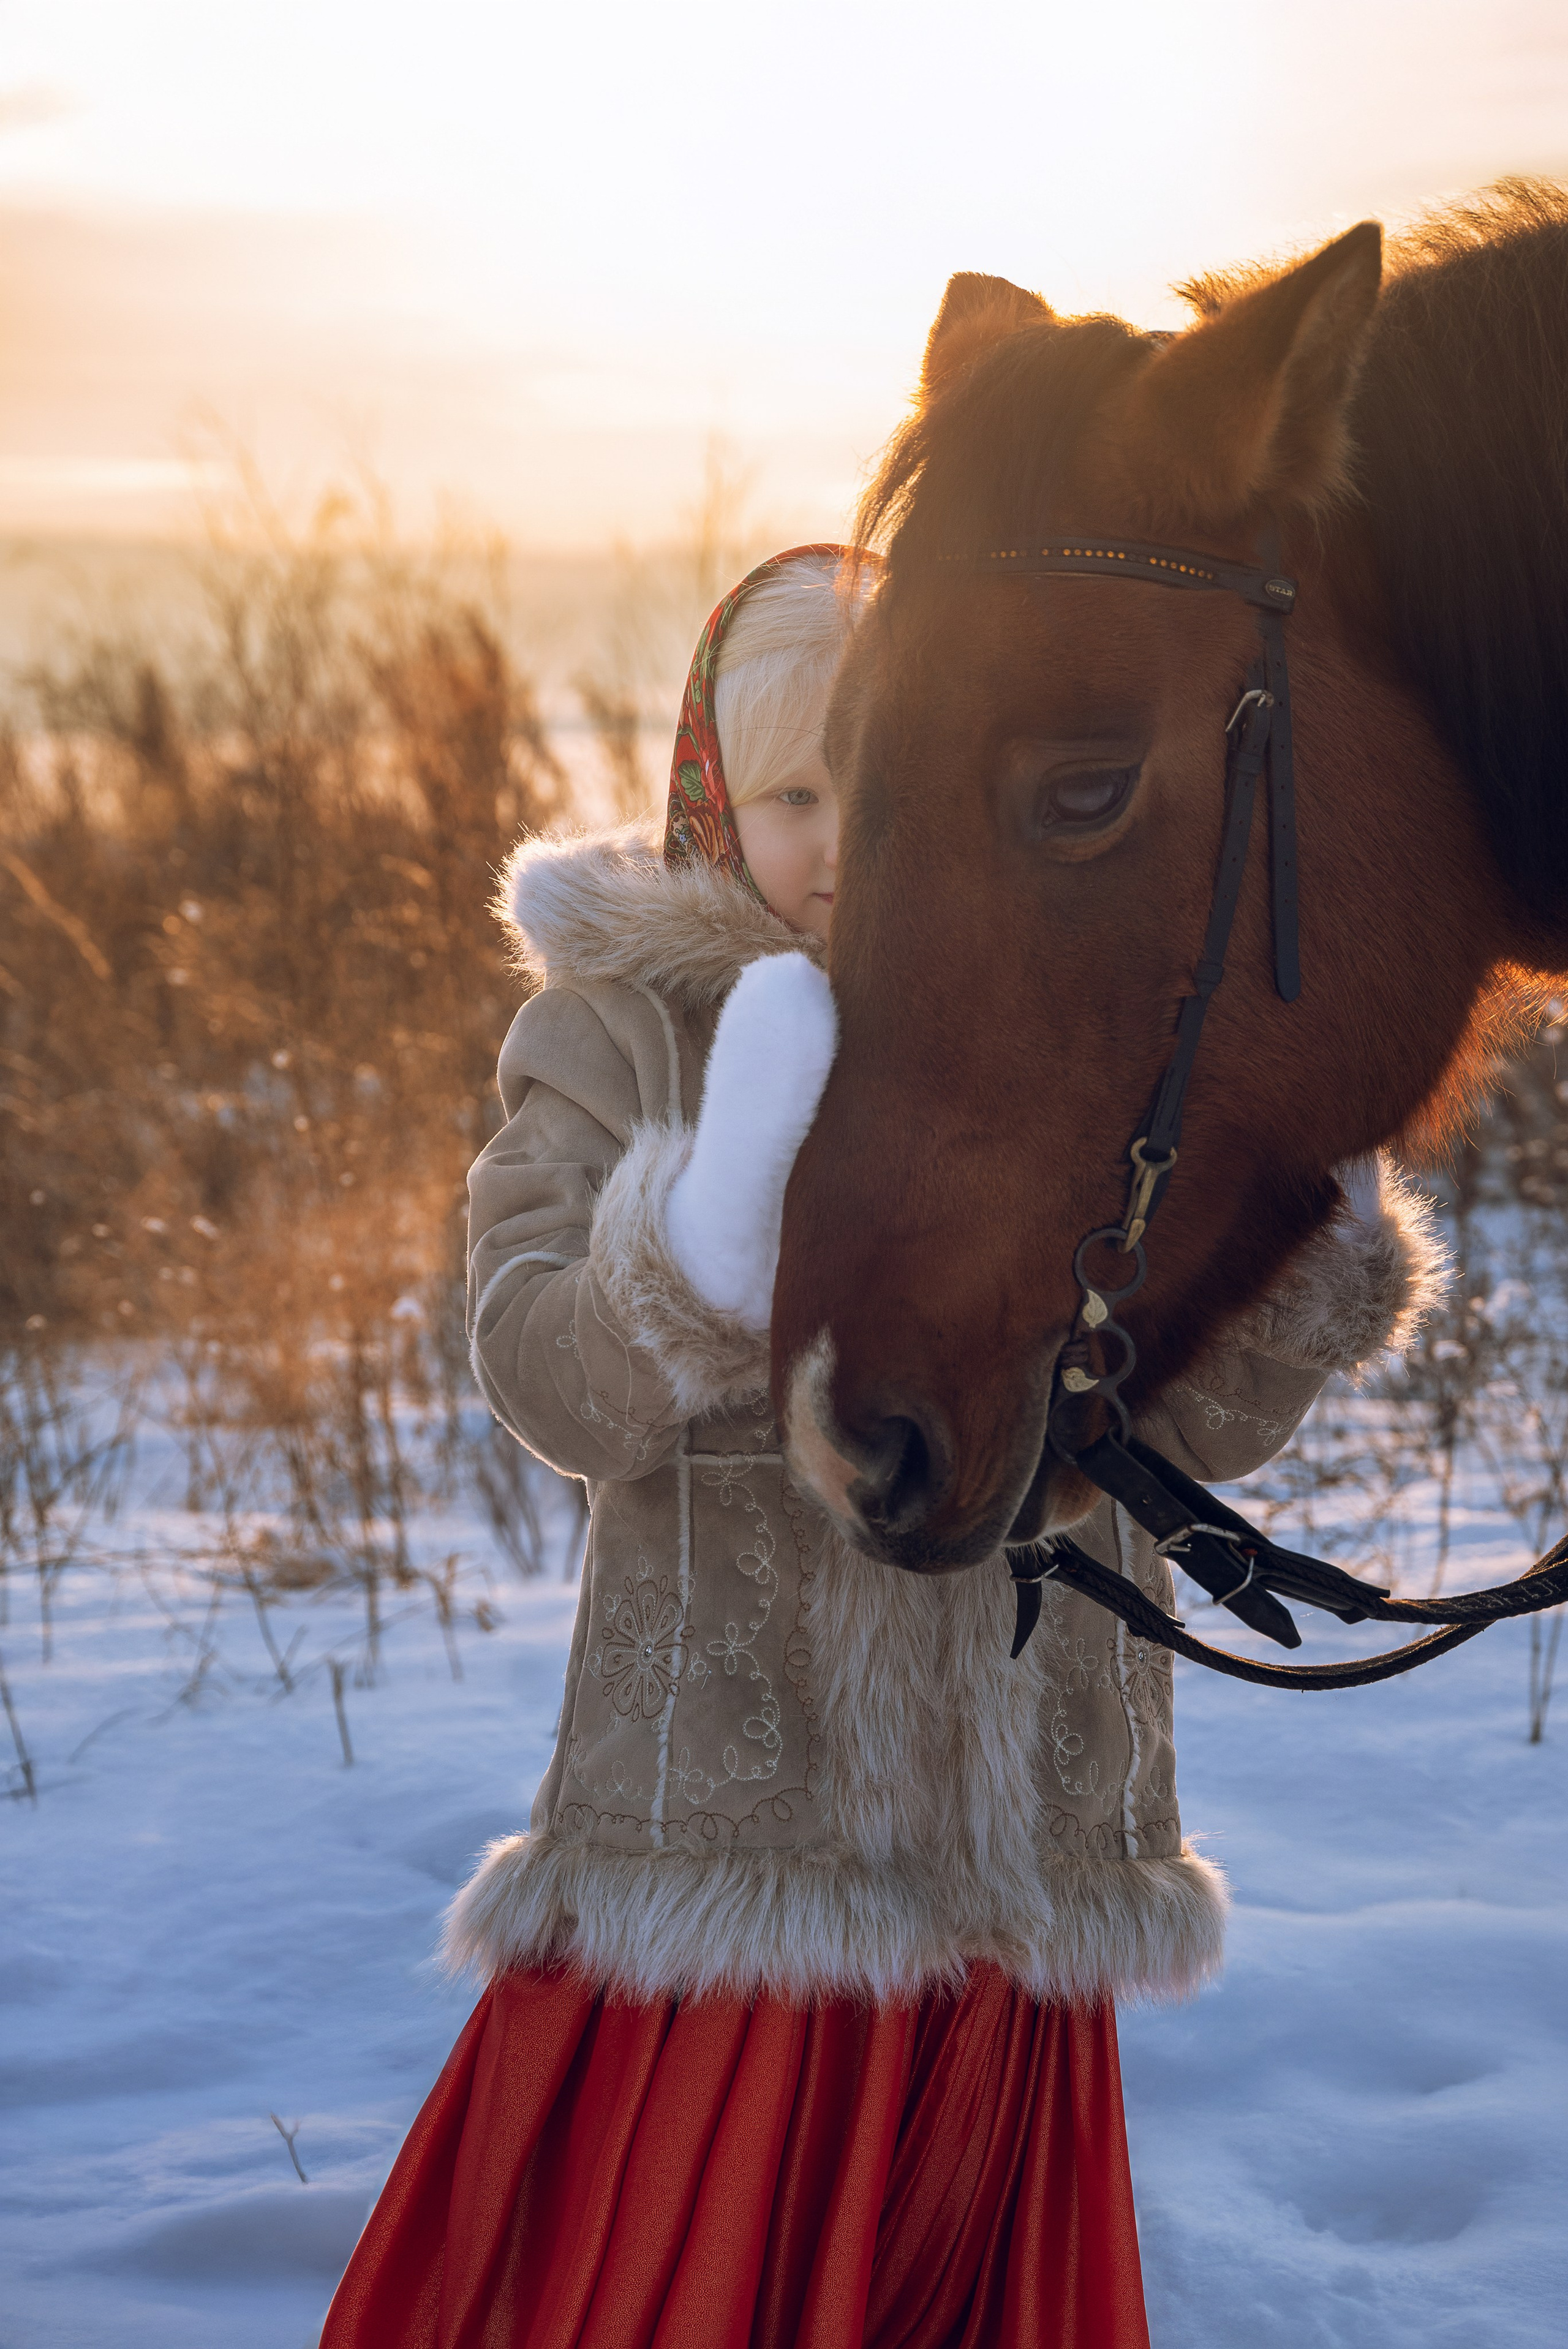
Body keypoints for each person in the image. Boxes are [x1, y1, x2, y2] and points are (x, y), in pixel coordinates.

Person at [320, 546, 1445, 2349]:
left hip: (1015, 1868)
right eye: (791, 794)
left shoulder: (1060, 1039)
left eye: (883, 784)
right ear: (710, 801)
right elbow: (543, 1371)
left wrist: (1297, 1191)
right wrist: (699, 1245)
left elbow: (1204, 1412)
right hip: (738, 1860)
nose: (842, 840)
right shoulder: (618, 1033)